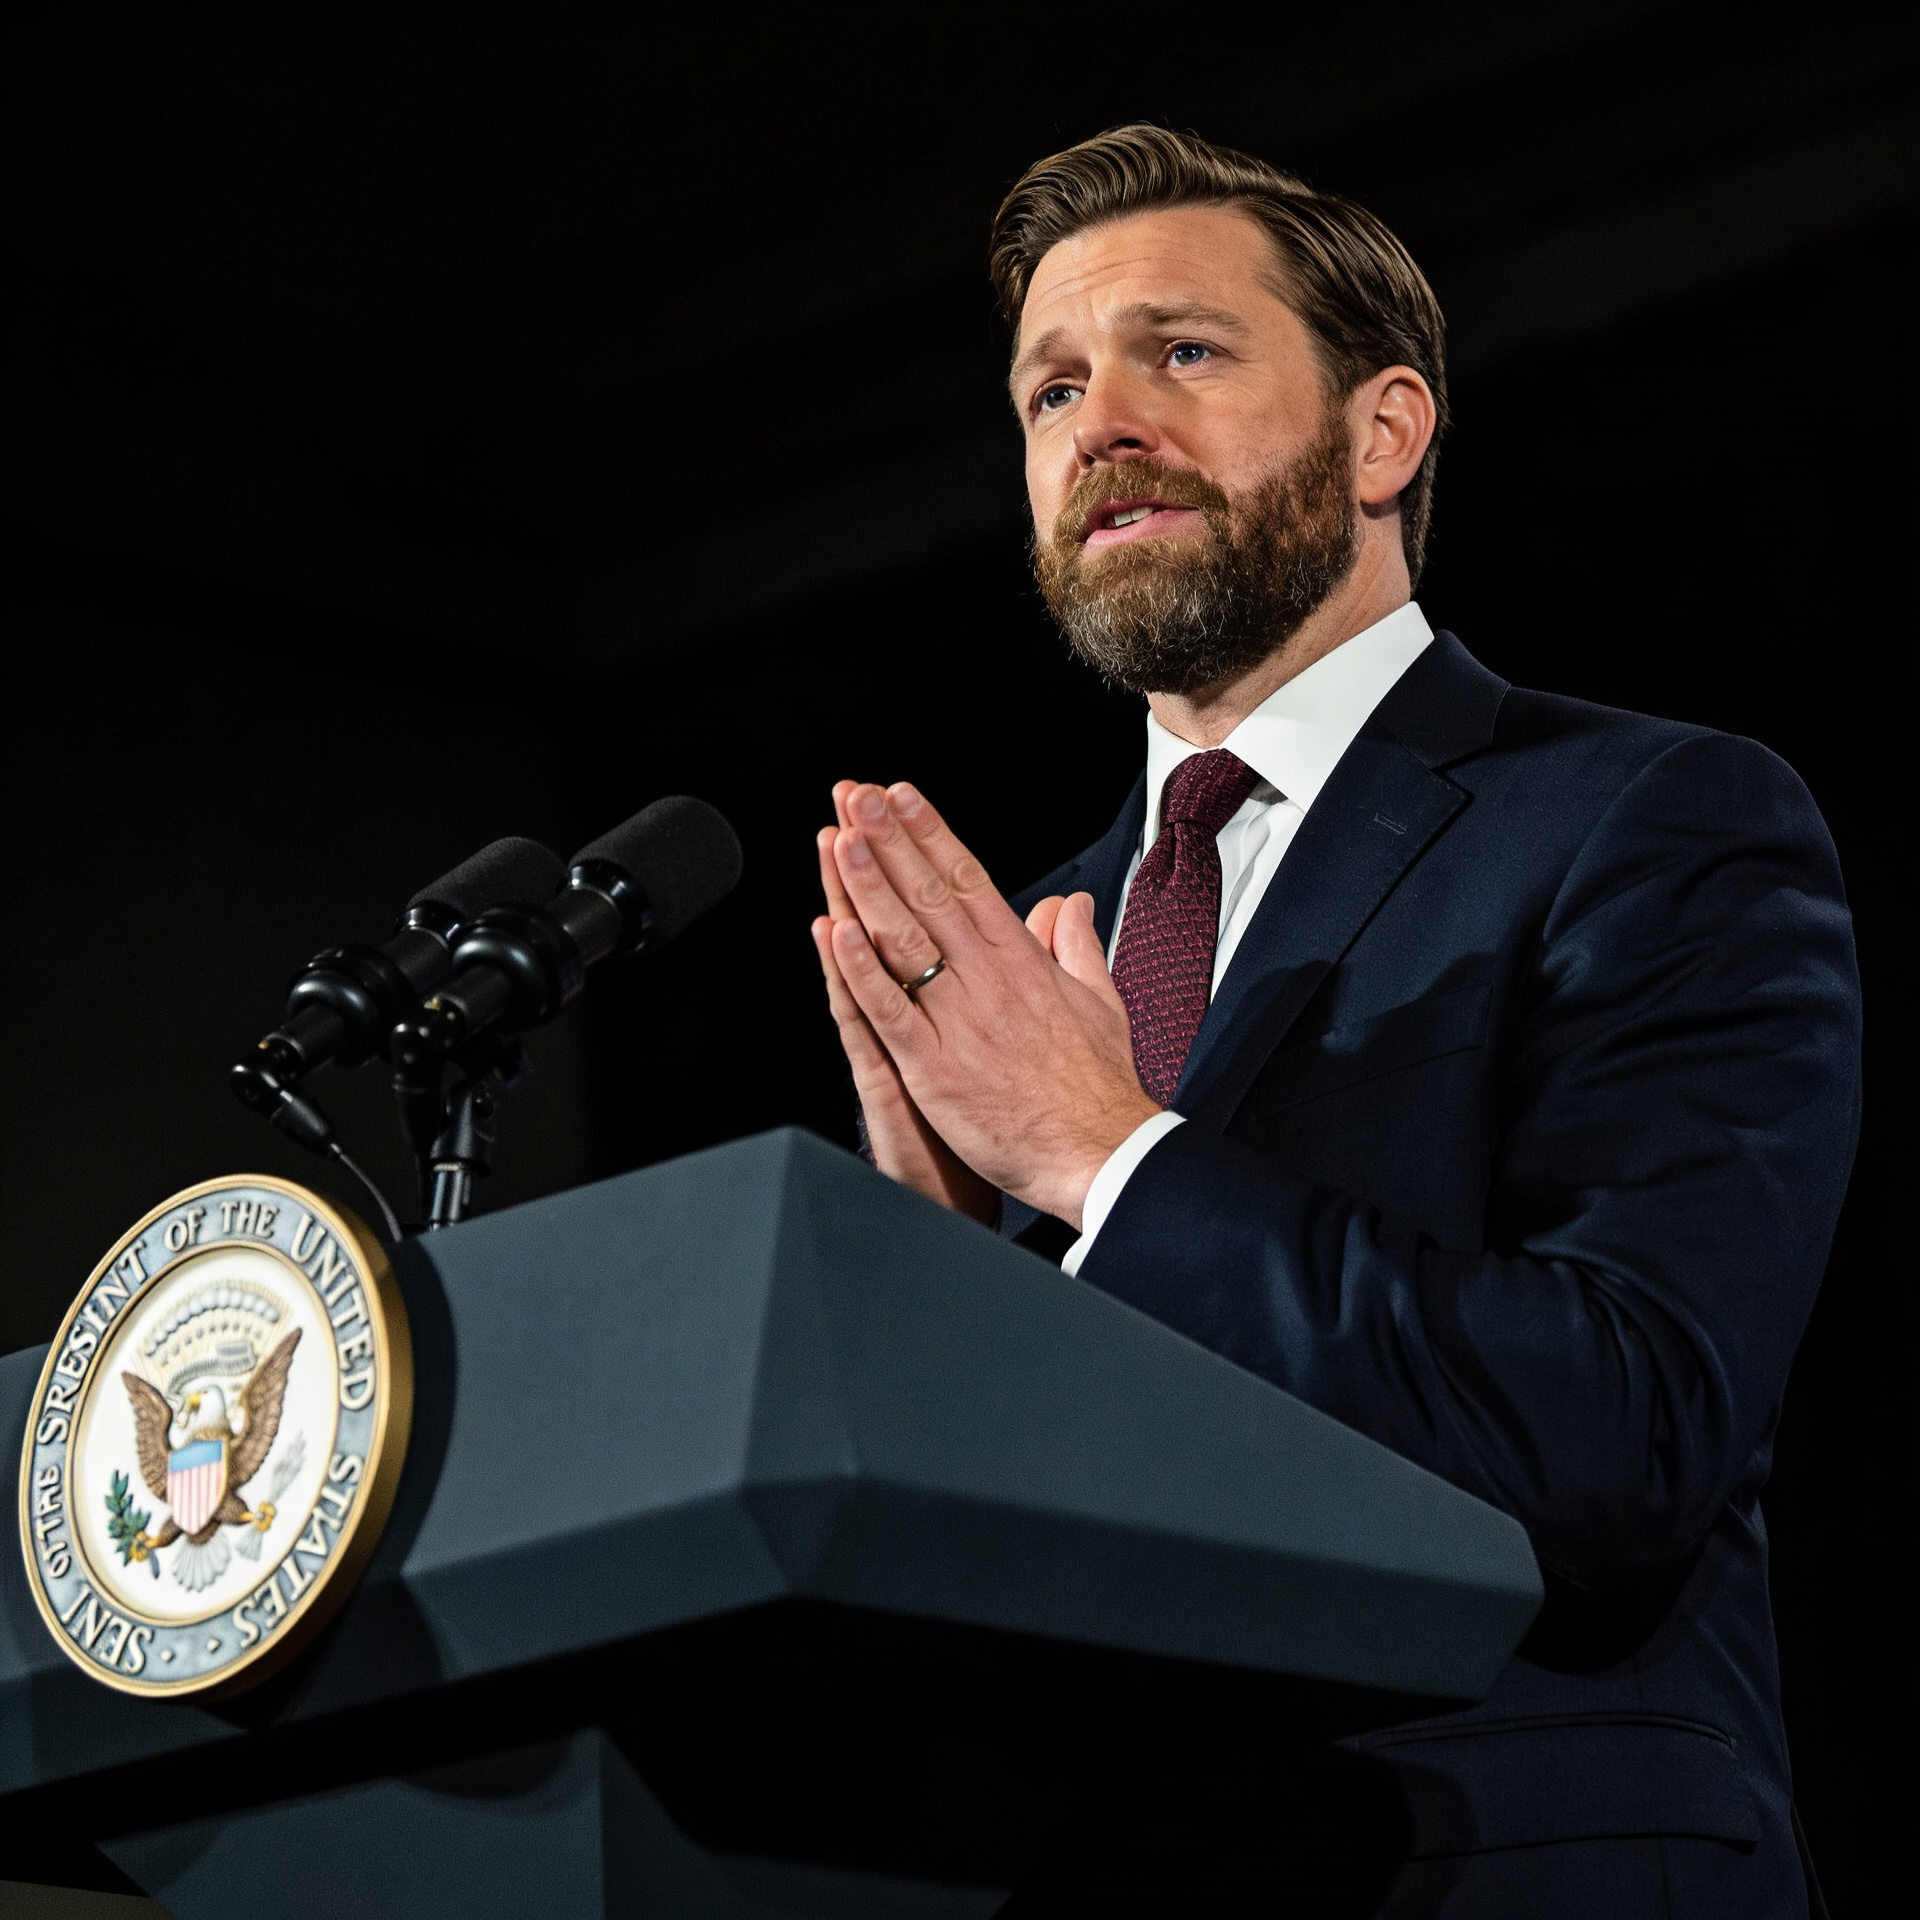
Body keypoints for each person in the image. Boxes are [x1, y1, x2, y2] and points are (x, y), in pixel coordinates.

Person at [809, 125, 1858, 1918]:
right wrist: (942, 1282)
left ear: (1384, 435)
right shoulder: (1028, 961)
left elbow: (1622, 1438)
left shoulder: (1647, 819)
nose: (1101, 421)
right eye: (1052, 389)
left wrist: (1105, 1159)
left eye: (1181, 350)